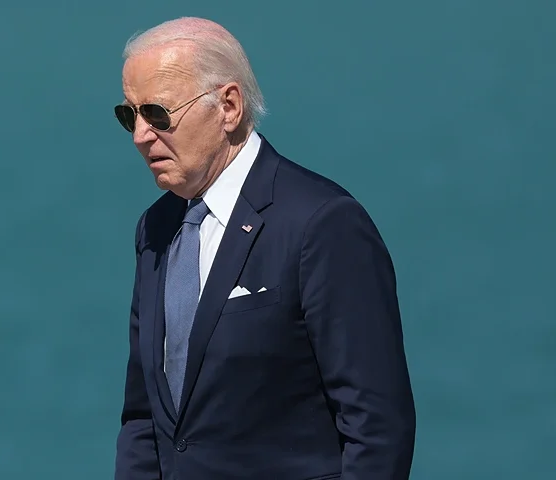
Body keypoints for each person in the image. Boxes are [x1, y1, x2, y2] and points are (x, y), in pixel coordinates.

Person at [112, 16, 416, 480]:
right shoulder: (156, 227)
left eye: (157, 113)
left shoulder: (322, 223)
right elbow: (143, 417)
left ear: (228, 106)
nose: (139, 135)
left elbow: (377, 428)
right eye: (128, 115)